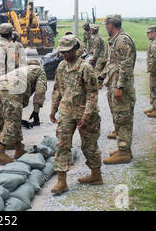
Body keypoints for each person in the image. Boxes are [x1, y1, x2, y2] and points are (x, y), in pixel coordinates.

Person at [50, 35, 103, 194]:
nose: (64, 55)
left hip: (84, 113)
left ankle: (96, 175)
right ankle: (61, 181)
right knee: (62, 144)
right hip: (66, 111)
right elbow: (58, 89)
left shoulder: (85, 68)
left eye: (67, 51)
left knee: (89, 145)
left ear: (75, 49)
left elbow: (92, 94)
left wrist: (87, 116)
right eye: (62, 52)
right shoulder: (61, 66)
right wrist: (53, 109)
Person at [0, 60, 47, 164]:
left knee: (7, 116)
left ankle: (19, 149)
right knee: (12, 120)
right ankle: (0, 152)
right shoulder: (40, 71)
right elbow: (40, 91)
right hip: (13, 88)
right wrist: (36, 111)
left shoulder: (22, 70)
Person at [98, 15, 136, 164]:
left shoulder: (121, 40)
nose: (105, 27)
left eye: (106, 24)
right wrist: (101, 77)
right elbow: (112, 64)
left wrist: (120, 87)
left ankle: (124, 152)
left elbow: (125, 66)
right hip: (114, 84)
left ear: (112, 24)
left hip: (121, 87)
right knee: (118, 118)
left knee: (123, 119)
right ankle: (123, 149)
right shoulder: (114, 40)